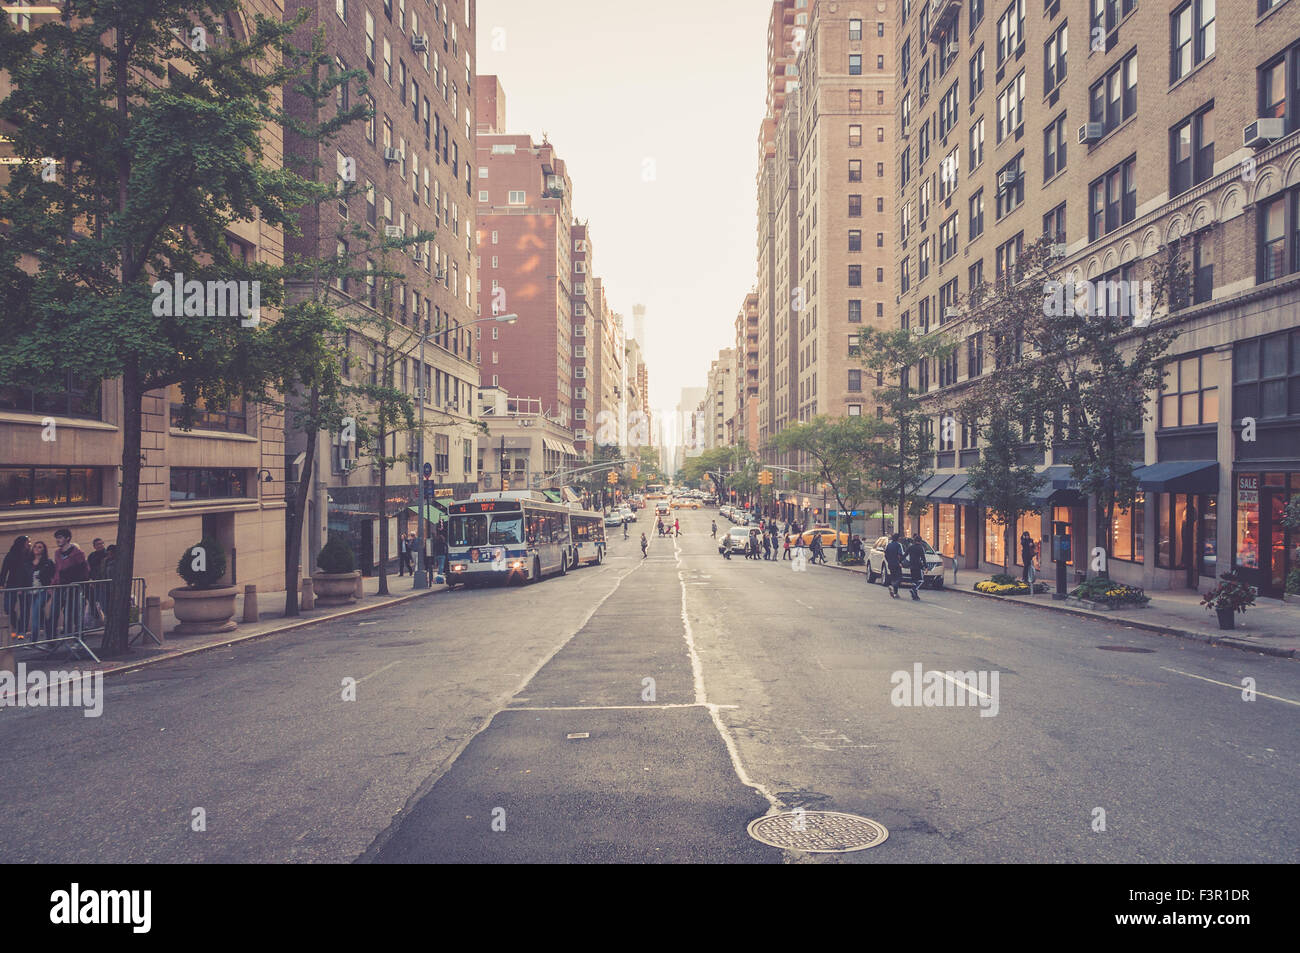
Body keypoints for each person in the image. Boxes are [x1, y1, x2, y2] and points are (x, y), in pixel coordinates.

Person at [52, 527, 89, 635]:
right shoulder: (57, 553)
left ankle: (78, 637)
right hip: (60, 587)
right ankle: (52, 640)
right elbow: (57, 569)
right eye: (56, 538)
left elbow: (84, 570)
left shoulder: (78, 553)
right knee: (54, 613)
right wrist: (54, 583)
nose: (58, 540)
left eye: (60, 538)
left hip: (74, 587)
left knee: (73, 612)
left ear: (67, 538)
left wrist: (80, 584)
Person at [2, 535, 33, 639]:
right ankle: (16, 625)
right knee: (8, 608)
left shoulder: (30, 555)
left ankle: (21, 631)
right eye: (28, 542)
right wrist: (1, 584)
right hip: (12, 584)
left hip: (25, 585)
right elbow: (4, 569)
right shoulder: (11, 555)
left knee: (25, 609)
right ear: (22, 543)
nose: (29, 544)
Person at [29, 540, 55, 641]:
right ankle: (50, 636)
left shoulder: (48, 562)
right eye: (35, 546)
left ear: (44, 550)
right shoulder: (28, 562)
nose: (36, 548)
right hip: (31, 591)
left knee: (35, 613)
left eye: (39, 547)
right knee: (41, 615)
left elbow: (53, 575)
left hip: (43, 591)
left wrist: (50, 587)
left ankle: (33, 640)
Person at [905, 534, 928, 601]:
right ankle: (914, 589)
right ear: (920, 541)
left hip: (911, 566)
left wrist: (900, 562)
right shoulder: (920, 548)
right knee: (921, 580)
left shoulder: (910, 547)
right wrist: (926, 567)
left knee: (914, 580)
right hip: (918, 566)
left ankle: (915, 595)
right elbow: (923, 558)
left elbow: (905, 555)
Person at [883, 532, 904, 598]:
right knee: (899, 577)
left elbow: (885, 554)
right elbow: (899, 554)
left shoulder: (889, 545)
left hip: (890, 563)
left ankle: (895, 593)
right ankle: (893, 586)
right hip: (896, 563)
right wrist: (900, 562)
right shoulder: (898, 545)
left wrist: (889, 560)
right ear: (898, 538)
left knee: (893, 576)